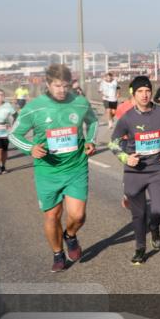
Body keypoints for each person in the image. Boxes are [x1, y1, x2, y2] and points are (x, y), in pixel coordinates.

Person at [9, 64, 98, 272]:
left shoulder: (80, 102)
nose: (61, 90)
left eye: (65, 86)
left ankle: (70, 235)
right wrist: (30, 148)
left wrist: (91, 141)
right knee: (52, 216)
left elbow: (93, 122)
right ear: (47, 84)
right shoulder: (35, 107)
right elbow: (14, 134)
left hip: (76, 167)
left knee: (77, 216)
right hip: (47, 170)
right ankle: (58, 254)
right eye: (57, 86)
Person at [109, 76, 160, 265]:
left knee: (159, 208)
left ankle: (154, 227)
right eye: (140, 91)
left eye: (147, 90)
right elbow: (112, 143)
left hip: (156, 169)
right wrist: (126, 158)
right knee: (138, 214)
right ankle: (140, 248)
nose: (145, 95)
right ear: (133, 93)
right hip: (134, 172)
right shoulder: (127, 118)